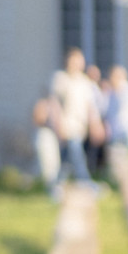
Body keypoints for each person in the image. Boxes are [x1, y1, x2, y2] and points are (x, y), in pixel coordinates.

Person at [49, 47, 101, 188]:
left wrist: (95, 125)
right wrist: (58, 125)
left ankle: (57, 184)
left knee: (66, 159)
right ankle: (84, 182)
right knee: (77, 155)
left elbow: (90, 107)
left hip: (80, 126)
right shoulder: (61, 78)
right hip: (67, 125)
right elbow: (55, 104)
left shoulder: (85, 82)